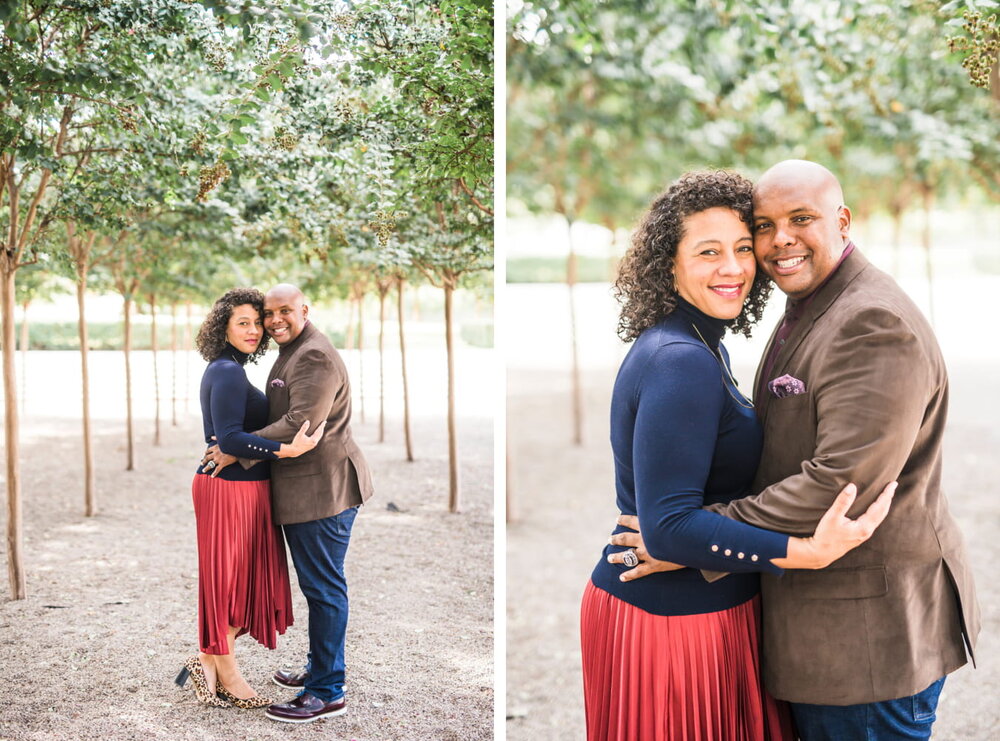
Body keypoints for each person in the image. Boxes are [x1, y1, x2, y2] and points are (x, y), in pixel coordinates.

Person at [611, 160, 980, 741]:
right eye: (764, 224)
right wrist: (678, 530)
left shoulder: (871, 321)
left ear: (843, 221)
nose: (779, 240)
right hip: (808, 624)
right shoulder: (799, 311)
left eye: (801, 219)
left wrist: (689, 535)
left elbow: (840, 482)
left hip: (863, 636)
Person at [203, 283, 374, 724]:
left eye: (284, 312)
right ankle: (320, 670)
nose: (273, 321)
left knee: (324, 588)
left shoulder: (313, 354)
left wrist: (234, 447)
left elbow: (301, 422)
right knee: (318, 587)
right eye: (266, 315)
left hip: (322, 491)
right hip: (302, 490)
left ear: (305, 309)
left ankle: (327, 691)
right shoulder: (292, 349)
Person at [176, 287, 325, 710]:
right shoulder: (224, 370)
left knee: (249, 583)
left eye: (257, 322)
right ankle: (228, 670)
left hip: (248, 489)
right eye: (243, 322)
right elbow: (228, 438)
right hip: (228, 492)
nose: (255, 330)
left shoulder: (235, 371)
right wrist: (287, 449)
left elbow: (235, 437)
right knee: (231, 586)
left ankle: (208, 657)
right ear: (222, 327)